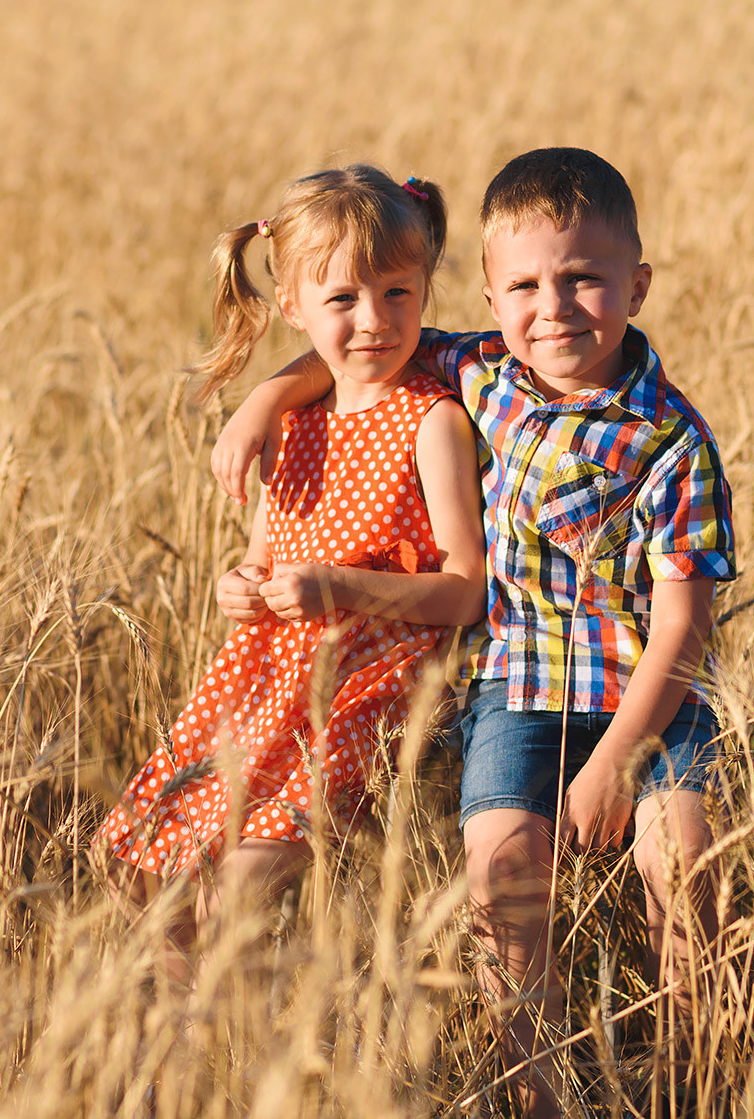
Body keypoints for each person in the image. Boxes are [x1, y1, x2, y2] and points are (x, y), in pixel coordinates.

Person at [212, 147, 736, 1115]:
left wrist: (620, 758)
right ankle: (529, 1081)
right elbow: (360, 344)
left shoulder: (673, 440)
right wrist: (264, 397)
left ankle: (690, 1077)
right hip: (517, 689)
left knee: (683, 858)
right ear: (490, 299)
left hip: (652, 698)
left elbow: (684, 629)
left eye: (583, 278)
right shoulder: (485, 371)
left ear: (637, 285)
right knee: (499, 868)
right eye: (526, 285)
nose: (555, 307)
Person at [102, 164, 487, 967]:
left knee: (230, 891)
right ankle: (207, 1057)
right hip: (262, 680)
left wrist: (338, 587)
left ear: (425, 290)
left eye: (397, 294)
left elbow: (463, 590)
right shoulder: (293, 421)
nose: (374, 320)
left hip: (364, 689)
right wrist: (237, 586)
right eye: (342, 299)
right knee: (138, 871)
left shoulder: (434, 422)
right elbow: (261, 556)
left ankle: (254, 1058)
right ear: (293, 307)